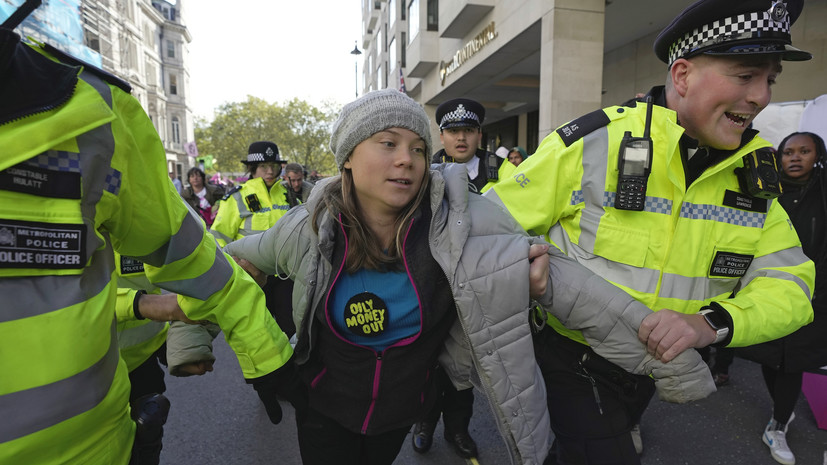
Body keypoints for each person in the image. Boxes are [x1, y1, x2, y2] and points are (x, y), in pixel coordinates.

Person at [223, 89, 715, 465]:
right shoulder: (307, 229)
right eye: (387, 143)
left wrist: (675, 361)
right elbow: (223, 268)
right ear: (348, 157)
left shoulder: (465, 223)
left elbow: (572, 287)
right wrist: (194, 344)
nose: (406, 160)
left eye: (417, 148)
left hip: (401, 410)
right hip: (323, 408)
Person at [485, 1, 816, 463]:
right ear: (682, 75)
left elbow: (792, 288)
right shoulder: (592, 144)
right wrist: (525, 269)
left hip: (656, 370)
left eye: (770, 80)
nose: (761, 96)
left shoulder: (754, 177)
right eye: (745, 76)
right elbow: (488, 229)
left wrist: (710, 324)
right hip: (573, 358)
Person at [0, 19, 294, 464]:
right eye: (266, 166)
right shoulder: (235, 200)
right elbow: (212, 249)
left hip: (108, 441)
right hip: (133, 353)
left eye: (276, 167)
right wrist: (148, 310)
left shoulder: (94, 117)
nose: (273, 173)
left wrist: (268, 356)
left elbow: (196, 264)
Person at [737, 132, 827, 465]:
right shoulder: (766, 190)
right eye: (788, 151)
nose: (795, 157)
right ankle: (782, 412)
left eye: (804, 151)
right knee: (772, 356)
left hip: (812, 295)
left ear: (818, 154)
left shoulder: (822, 188)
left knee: (792, 359)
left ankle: (777, 423)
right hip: (768, 288)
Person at [431, 98, 514, 194]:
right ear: (442, 137)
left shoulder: (504, 169)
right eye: (453, 131)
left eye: (468, 130)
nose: (461, 138)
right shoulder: (428, 172)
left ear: (479, 135)